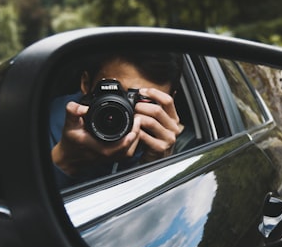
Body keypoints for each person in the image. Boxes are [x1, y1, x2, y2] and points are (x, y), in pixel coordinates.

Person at [50, 52, 184, 186]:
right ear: (86, 84)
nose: (124, 110)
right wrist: (64, 158)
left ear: (170, 101)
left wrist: (156, 166)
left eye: (145, 101)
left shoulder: (165, 144)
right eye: (115, 95)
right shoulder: (43, 121)